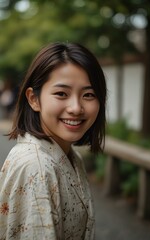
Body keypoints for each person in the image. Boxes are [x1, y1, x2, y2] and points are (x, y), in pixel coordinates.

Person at [0, 42, 107, 239]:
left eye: (89, 95)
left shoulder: (70, 155)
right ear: (33, 99)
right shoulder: (36, 167)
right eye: (61, 94)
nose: (76, 107)